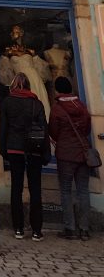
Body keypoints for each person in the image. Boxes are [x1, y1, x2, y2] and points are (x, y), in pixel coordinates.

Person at [0, 71, 49, 241]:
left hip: (14, 149)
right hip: (34, 149)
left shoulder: (7, 102)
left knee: (16, 188)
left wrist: (3, 148)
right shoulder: (36, 103)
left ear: (13, 85)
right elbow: (44, 129)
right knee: (35, 190)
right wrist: (46, 152)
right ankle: (36, 230)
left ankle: (18, 228)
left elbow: (3, 128)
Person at [49, 76, 92, 241]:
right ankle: (85, 229)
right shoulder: (81, 105)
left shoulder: (57, 109)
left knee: (66, 191)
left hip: (66, 154)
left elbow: (53, 131)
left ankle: (70, 228)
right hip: (83, 153)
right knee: (83, 191)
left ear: (57, 90)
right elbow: (87, 128)